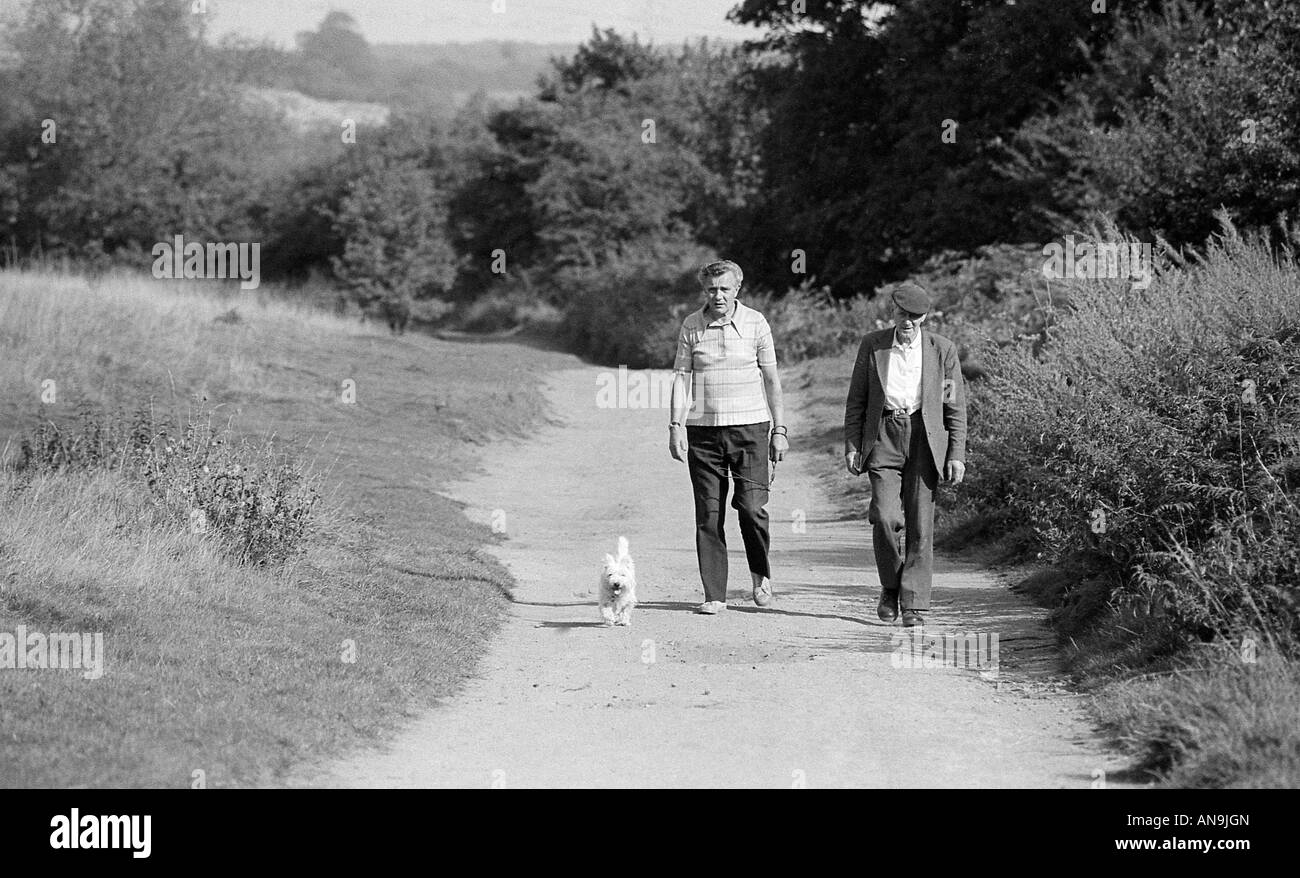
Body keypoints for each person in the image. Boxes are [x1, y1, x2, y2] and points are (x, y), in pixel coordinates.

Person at [843, 282, 968, 627]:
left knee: (919, 524)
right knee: (884, 516)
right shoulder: (873, 345)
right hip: (883, 435)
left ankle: (915, 604)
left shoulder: (942, 350)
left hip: (925, 440)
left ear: (925, 317)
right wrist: (853, 444)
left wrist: (955, 452)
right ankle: (890, 585)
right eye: (902, 313)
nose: (908, 321)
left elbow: (953, 406)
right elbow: (856, 400)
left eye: (916, 316)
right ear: (893, 312)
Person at [668, 260, 788, 614]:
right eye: (711, 289)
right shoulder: (692, 325)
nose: (717, 296)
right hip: (703, 433)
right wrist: (675, 426)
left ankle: (760, 575)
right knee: (708, 513)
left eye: (724, 289)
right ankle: (714, 594)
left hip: (751, 430)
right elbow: (680, 378)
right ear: (704, 290)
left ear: (737, 289)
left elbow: (771, 380)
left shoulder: (756, 323)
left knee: (752, 508)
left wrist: (779, 430)